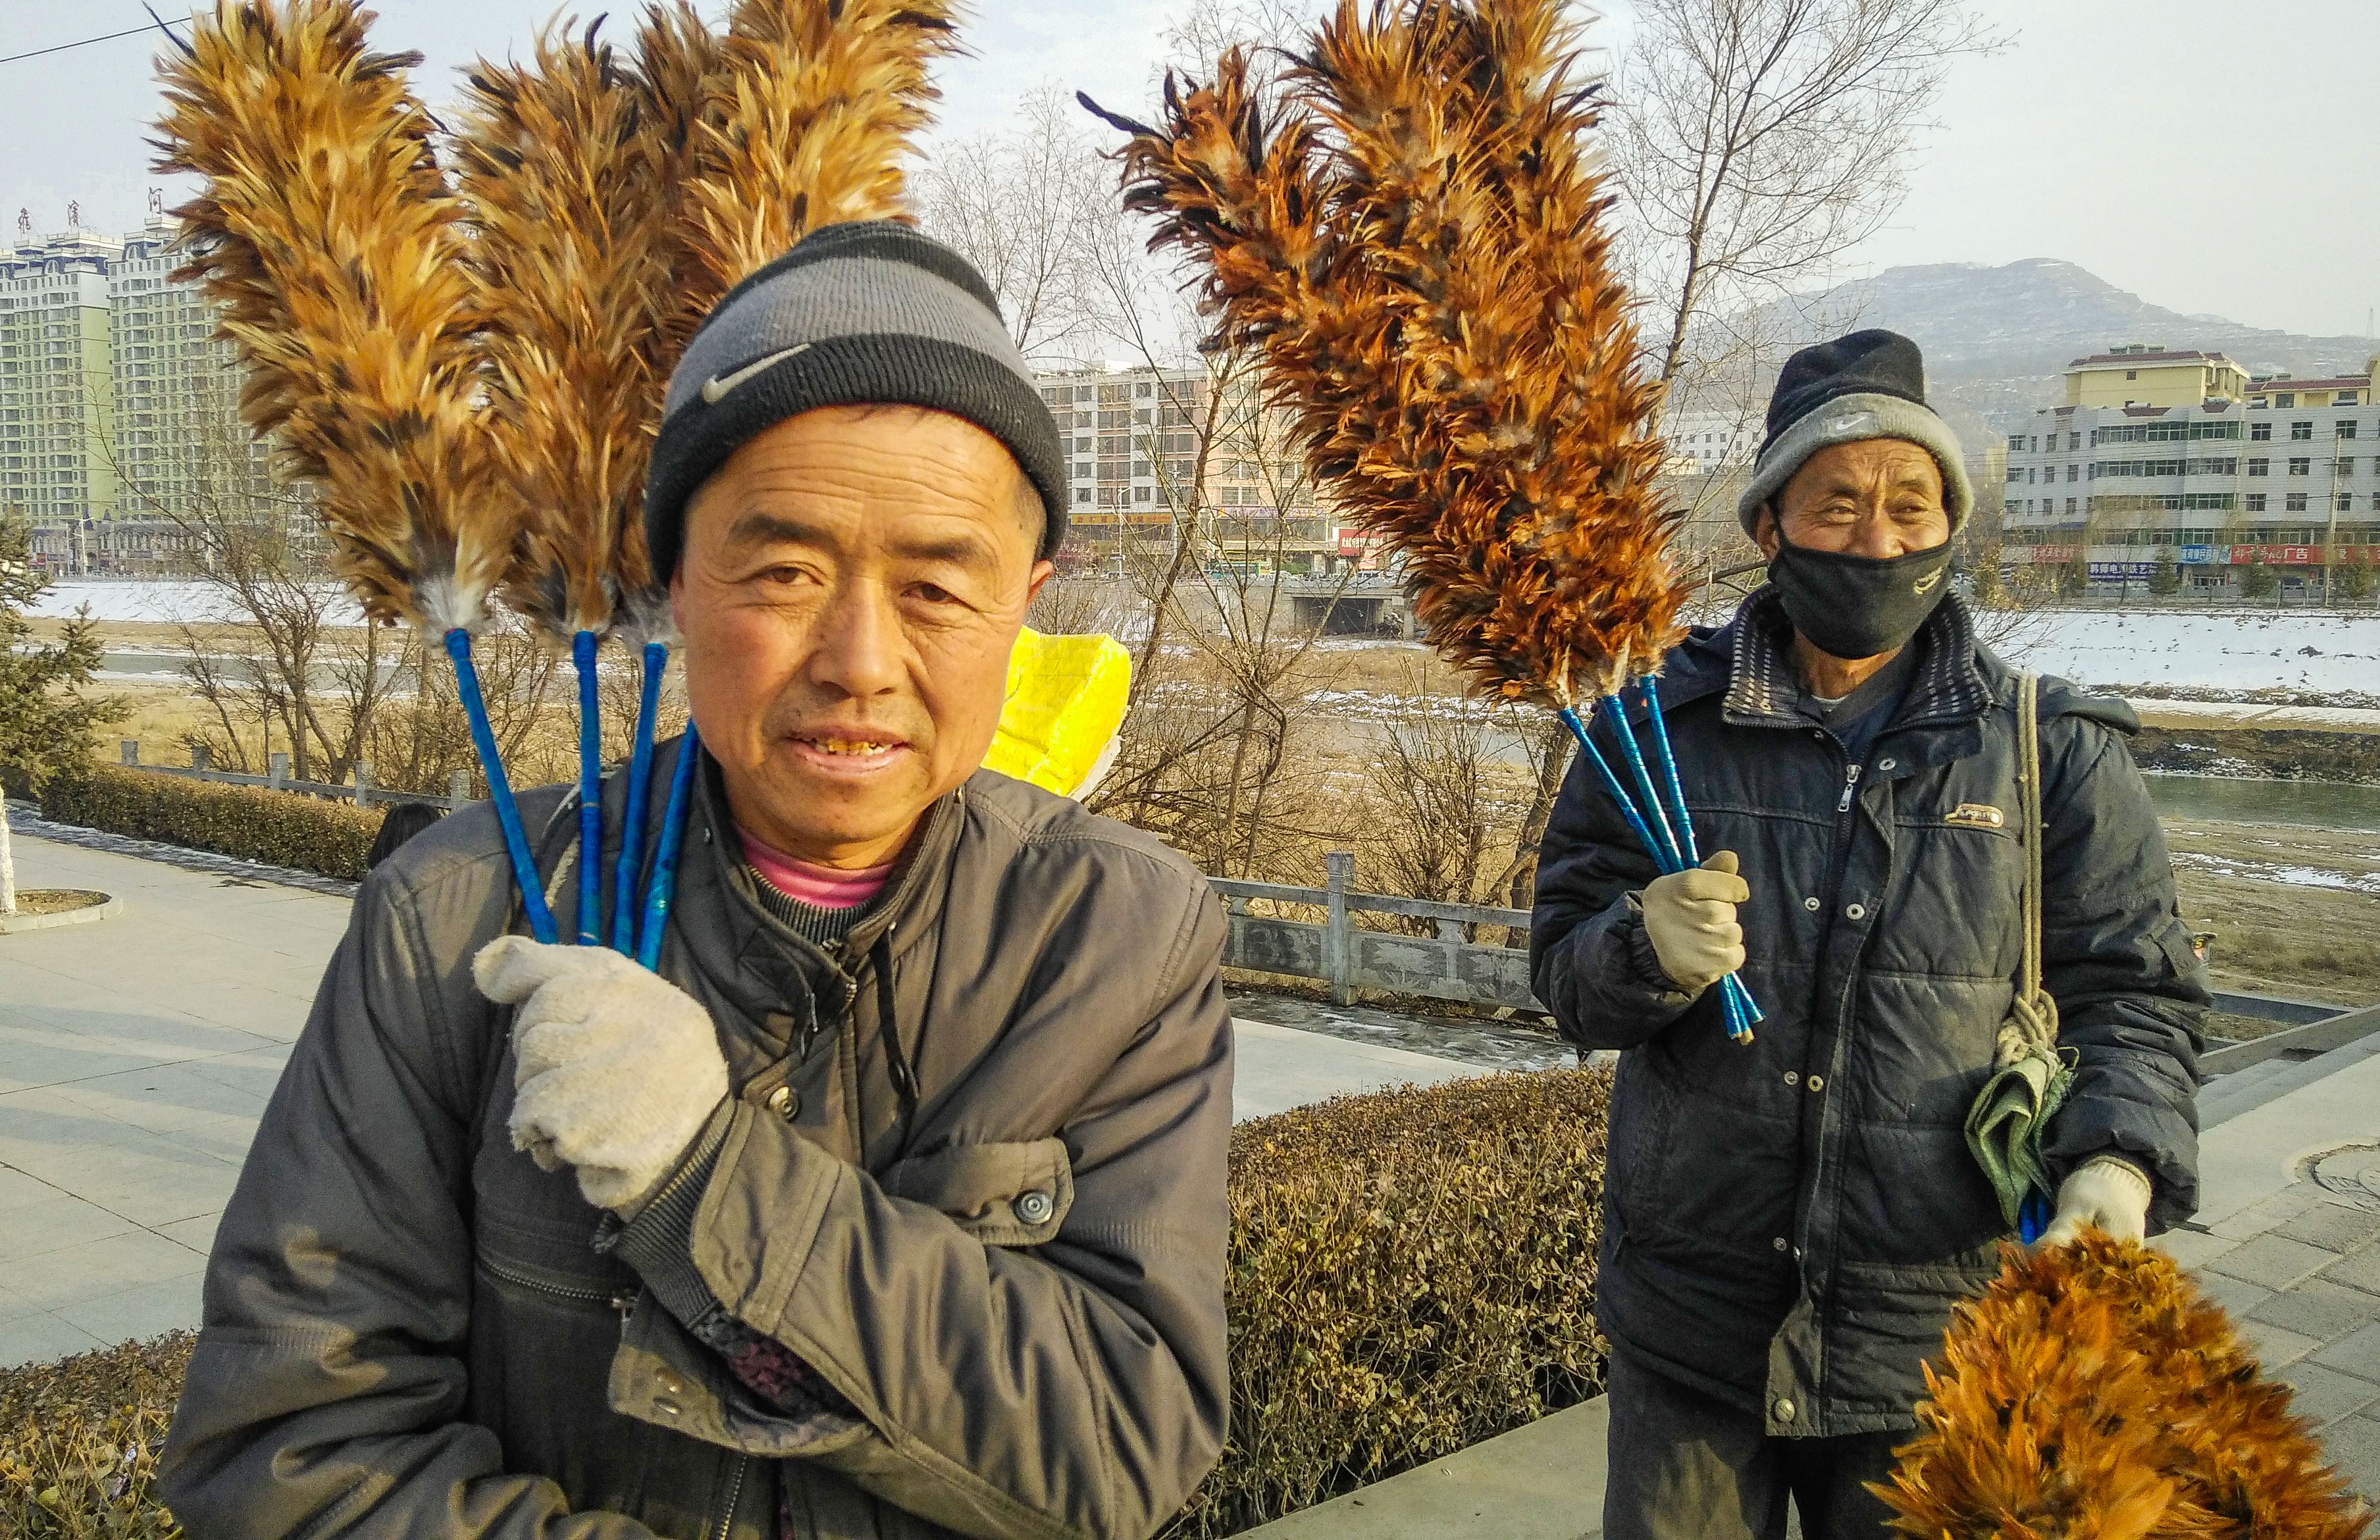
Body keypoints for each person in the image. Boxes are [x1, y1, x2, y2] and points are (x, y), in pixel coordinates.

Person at [161, 222, 1233, 1540]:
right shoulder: (455, 916)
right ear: (670, 581)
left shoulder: (1115, 938)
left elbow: (1120, 1444)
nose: (858, 659)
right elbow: (291, 1448)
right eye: (781, 574)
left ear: (1026, 595)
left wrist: (703, 1176)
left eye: (937, 589)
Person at [1530, 330, 2207, 1540]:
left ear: (1951, 519)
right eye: (1835, 503)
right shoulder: (1654, 732)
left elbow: (2137, 996)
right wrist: (1637, 951)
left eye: (1912, 503)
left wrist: (2120, 1160)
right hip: (1695, 1328)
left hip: (1942, 1335)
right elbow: (1565, 980)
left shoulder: (2047, 748)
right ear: (1767, 526)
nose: (1879, 538)